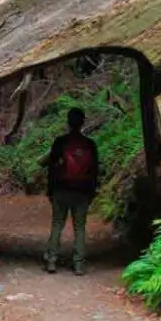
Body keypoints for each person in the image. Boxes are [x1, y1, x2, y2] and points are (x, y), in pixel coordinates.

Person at [40, 108, 99, 275]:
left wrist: (50, 190)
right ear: (82, 123)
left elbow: (51, 168)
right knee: (80, 228)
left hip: (61, 189)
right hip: (82, 191)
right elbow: (95, 171)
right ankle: (79, 265)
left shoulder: (60, 142)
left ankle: (51, 261)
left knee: (57, 224)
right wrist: (92, 191)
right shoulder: (90, 144)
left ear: (68, 122)